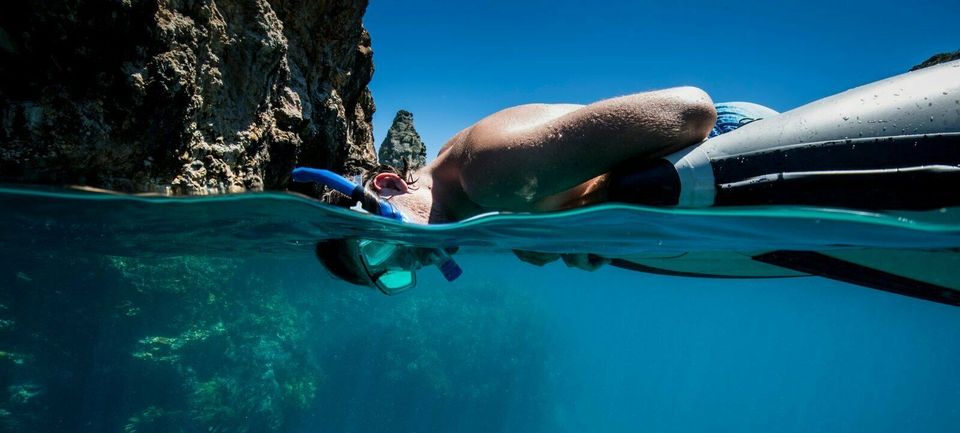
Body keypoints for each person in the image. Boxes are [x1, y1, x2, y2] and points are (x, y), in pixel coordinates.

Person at [315, 87, 778, 286]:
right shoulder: (475, 189)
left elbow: (693, 111)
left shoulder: (491, 175)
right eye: (393, 276)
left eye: (377, 249)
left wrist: (585, 220)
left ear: (390, 183)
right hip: (707, 186)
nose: (407, 260)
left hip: (738, 146)